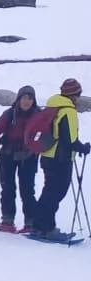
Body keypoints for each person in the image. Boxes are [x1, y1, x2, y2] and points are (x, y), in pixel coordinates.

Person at [0, 85, 48, 233]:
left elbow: (46, 133)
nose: (26, 101)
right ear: (18, 99)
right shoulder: (9, 114)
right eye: (24, 98)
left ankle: (30, 223)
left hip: (29, 156)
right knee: (7, 188)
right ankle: (7, 220)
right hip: (8, 155)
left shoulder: (39, 116)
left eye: (30, 98)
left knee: (27, 189)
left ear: (34, 100)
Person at [28, 78, 85, 242]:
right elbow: (69, 140)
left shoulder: (53, 106)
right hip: (61, 158)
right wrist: (83, 148)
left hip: (47, 155)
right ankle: (48, 228)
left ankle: (39, 226)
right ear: (75, 94)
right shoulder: (68, 111)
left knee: (49, 191)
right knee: (56, 193)